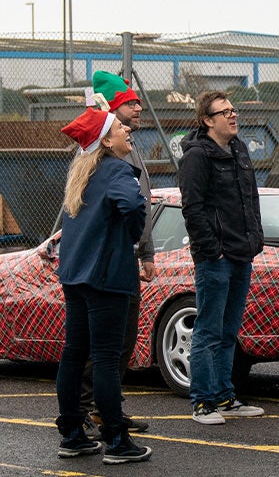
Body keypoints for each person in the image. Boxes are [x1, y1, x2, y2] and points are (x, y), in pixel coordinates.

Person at [54, 107, 153, 465]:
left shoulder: (83, 173)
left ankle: (72, 434)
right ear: (106, 141)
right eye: (119, 127)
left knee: (74, 353)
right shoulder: (116, 170)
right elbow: (132, 206)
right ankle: (116, 439)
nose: (128, 130)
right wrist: (131, 235)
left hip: (75, 275)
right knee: (108, 360)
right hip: (107, 277)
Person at [177, 90, 265, 425]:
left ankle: (226, 397)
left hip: (242, 254)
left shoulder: (239, 149)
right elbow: (193, 208)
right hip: (216, 258)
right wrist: (213, 249)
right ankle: (203, 402)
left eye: (233, 110)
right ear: (207, 120)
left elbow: (250, 199)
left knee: (229, 330)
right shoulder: (197, 156)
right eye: (224, 112)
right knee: (209, 330)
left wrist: (254, 239)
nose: (233, 115)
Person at [80, 72, 155, 439]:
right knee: (99, 344)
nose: (138, 108)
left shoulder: (129, 146)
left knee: (122, 340)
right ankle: (87, 411)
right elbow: (128, 206)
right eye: (130, 103)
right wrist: (132, 241)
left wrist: (146, 253)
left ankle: (106, 409)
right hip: (104, 263)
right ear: (112, 111)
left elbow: (143, 202)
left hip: (125, 257)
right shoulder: (95, 156)